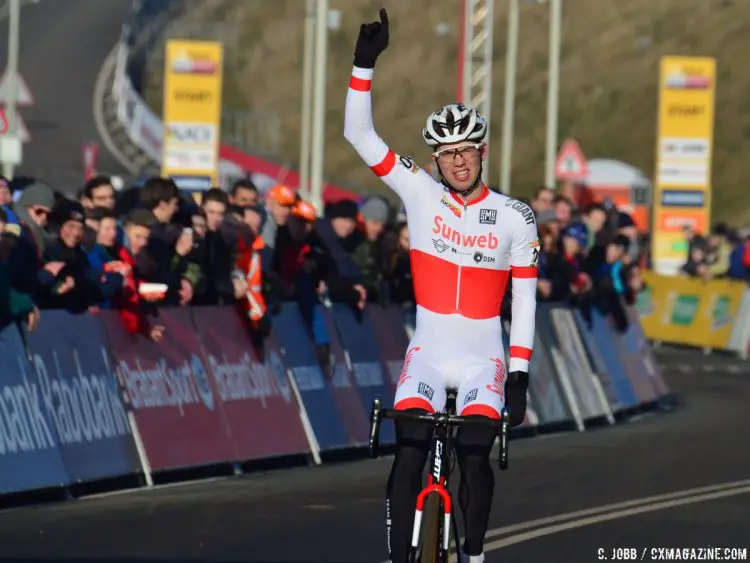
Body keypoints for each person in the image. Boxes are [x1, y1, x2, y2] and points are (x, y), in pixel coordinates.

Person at [344, 10, 537, 563]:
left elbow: (523, 297)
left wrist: (519, 373)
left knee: (474, 457)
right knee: (408, 452)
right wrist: (364, 64)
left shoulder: (513, 217)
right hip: (427, 354)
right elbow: (359, 134)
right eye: (447, 153)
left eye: (466, 150)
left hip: (484, 360)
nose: (457, 161)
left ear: (482, 151)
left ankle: (473, 555)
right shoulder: (419, 192)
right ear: (435, 159)